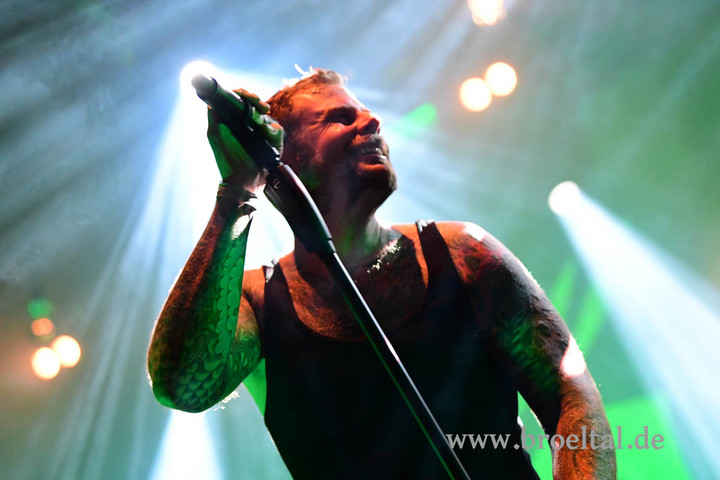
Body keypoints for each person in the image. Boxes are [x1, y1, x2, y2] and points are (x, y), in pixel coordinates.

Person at [148, 69, 616, 479]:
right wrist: (236, 190)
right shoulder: (259, 301)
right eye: (339, 118)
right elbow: (181, 386)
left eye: (368, 114)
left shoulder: (462, 252)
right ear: (283, 158)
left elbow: (570, 397)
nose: (372, 122)